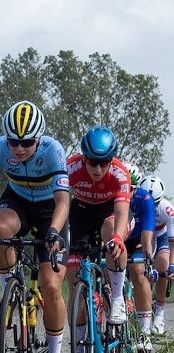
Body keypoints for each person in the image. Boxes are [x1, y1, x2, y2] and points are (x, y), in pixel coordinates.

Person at [0, 101, 69, 353]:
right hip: (18, 201)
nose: (19, 149)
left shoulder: (53, 150)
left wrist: (55, 231)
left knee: (51, 285)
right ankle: (7, 290)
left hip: (50, 212)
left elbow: (62, 201)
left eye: (27, 142)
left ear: (39, 138)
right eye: (13, 142)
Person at [64, 127, 132, 336]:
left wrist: (118, 238)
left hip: (109, 212)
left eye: (104, 163)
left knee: (111, 235)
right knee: (75, 282)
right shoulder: (71, 166)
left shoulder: (120, 173)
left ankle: (117, 297)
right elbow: (57, 200)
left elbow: (121, 213)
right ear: (84, 158)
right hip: (81, 212)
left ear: (112, 160)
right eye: (92, 162)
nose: (98, 168)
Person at [122, 162, 155, 346]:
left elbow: (148, 226)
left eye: (132, 188)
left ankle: (144, 332)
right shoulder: (111, 196)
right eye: (125, 187)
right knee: (105, 269)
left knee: (137, 269)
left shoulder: (144, 198)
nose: (129, 192)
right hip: (118, 236)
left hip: (138, 238)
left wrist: (147, 250)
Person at [145, 175, 174, 335]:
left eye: (155, 203)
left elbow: (172, 242)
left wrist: (172, 265)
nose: (152, 206)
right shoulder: (136, 202)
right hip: (144, 235)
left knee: (162, 269)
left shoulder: (167, 208)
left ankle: (160, 314)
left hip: (161, 236)